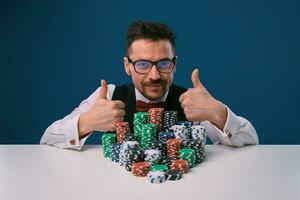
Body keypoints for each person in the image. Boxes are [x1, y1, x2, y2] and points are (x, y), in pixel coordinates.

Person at [40, 21, 259, 150]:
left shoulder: (191, 100)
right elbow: (47, 139)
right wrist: (86, 122)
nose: (154, 75)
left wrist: (218, 113)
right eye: (143, 64)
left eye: (163, 63)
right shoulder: (108, 96)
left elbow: (251, 142)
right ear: (127, 65)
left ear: (174, 64)